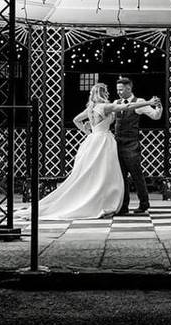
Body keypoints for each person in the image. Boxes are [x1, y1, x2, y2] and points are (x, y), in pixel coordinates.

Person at [19, 82, 160, 220]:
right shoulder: (105, 106)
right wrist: (148, 102)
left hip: (93, 140)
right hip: (104, 141)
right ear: (103, 94)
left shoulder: (91, 108)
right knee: (106, 173)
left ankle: (101, 200)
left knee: (94, 173)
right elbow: (128, 105)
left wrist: (88, 132)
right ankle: (104, 202)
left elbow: (76, 120)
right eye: (107, 92)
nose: (111, 94)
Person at [112, 77, 163, 214]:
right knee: (121, 177)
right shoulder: (116, 103)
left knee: (136, 176)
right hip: (117, 144)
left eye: (121, 90)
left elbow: (155, 116)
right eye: (117, 90)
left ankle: (144, 204)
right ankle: (123, 206)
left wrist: (158, 106)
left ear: (129, 88)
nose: (119, 93)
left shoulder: (139, 102)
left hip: (131, 144)